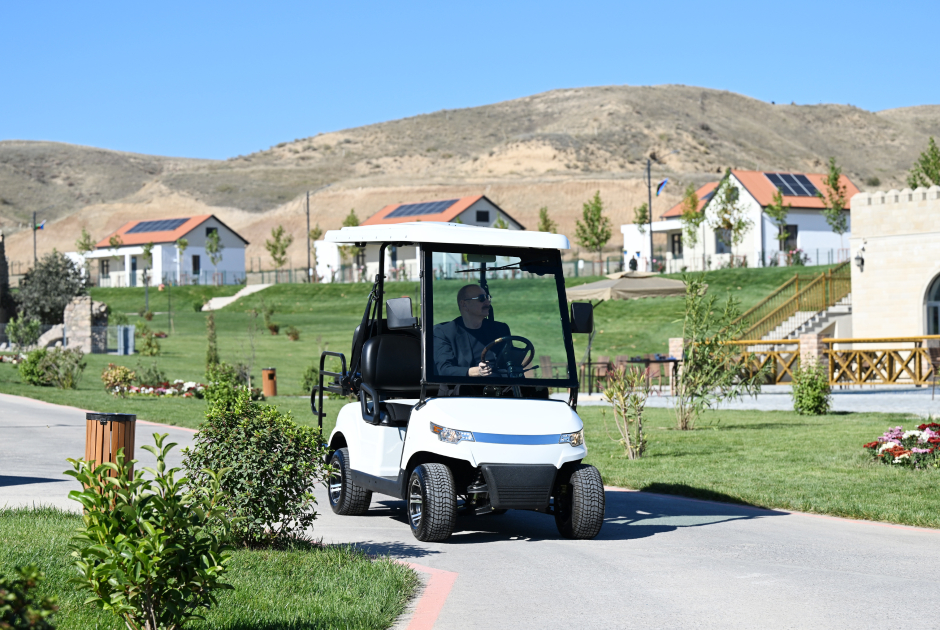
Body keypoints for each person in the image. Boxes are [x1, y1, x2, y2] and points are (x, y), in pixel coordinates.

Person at [433, 284, 510, 377]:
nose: (487, 302)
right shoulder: (443, 332)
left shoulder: (500, 328)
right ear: (464, 304)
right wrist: (475, 372)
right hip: (465, 385)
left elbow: (510, 362)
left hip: (500, 384)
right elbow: (444, 370)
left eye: (488, 298)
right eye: (481, 298)